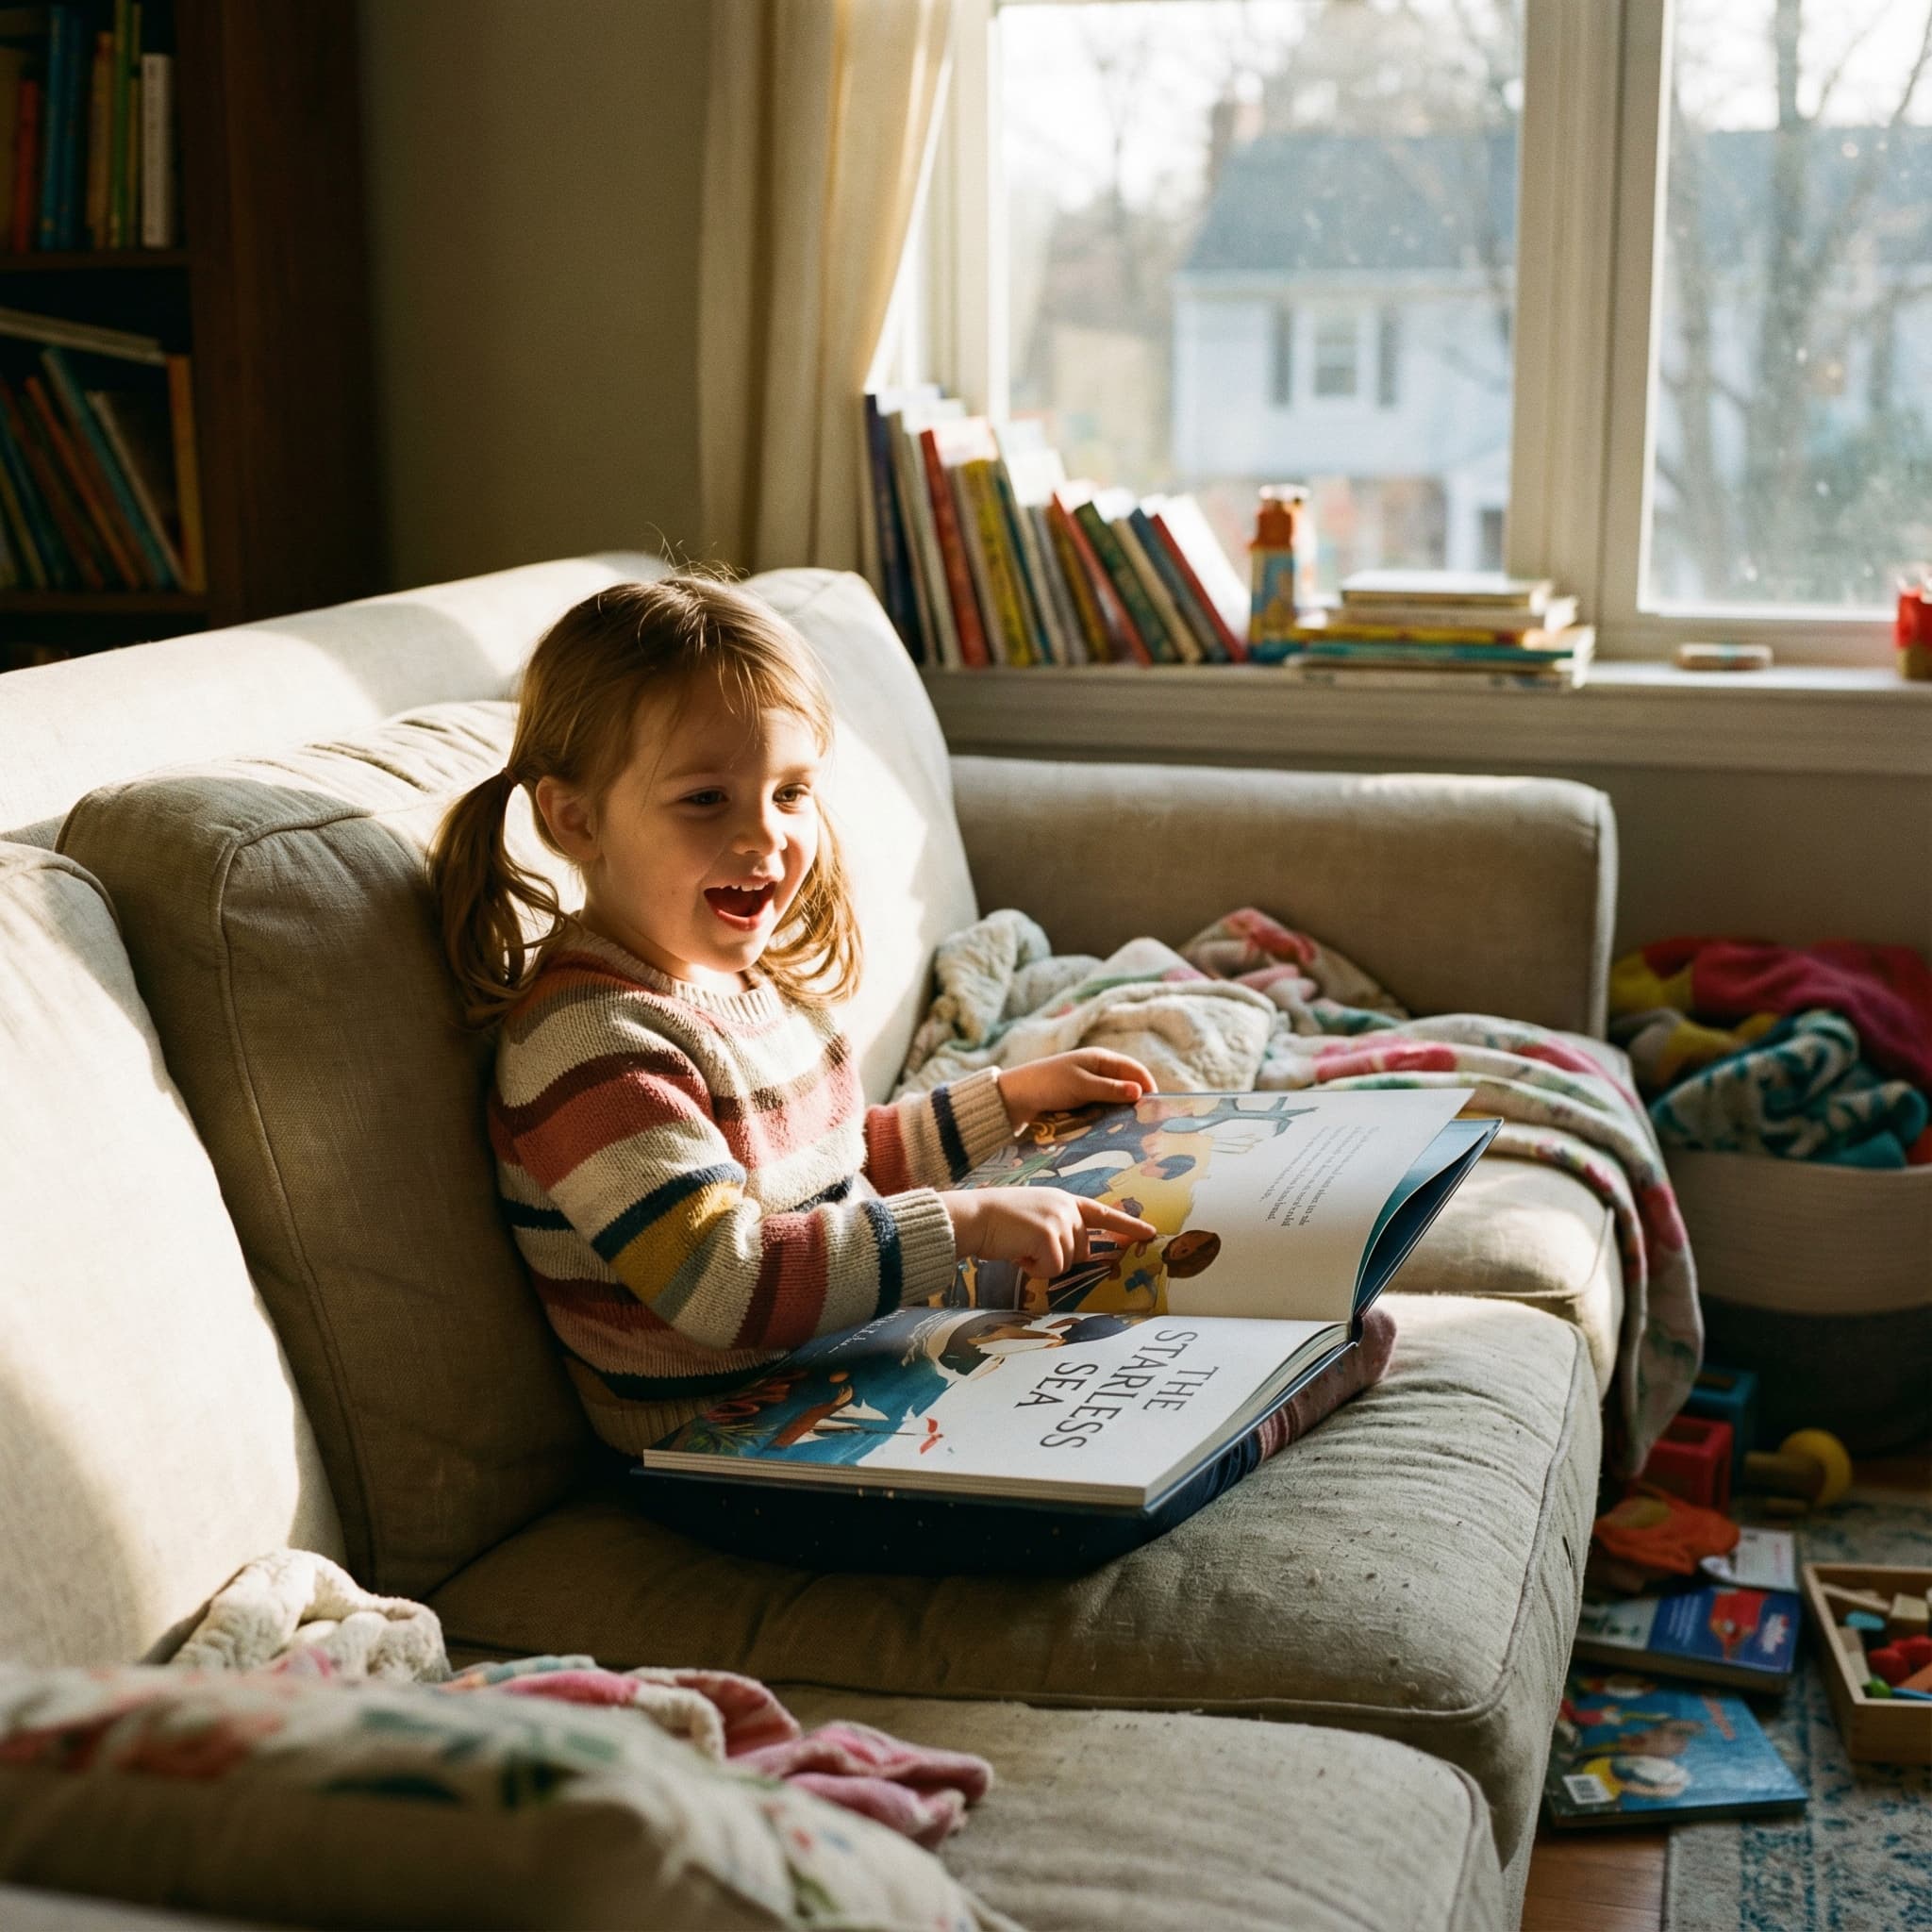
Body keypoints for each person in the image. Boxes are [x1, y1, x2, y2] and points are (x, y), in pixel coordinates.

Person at [430, 574, 1158, 1467]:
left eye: (790, 793)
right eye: (706, 798)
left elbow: (835, 1173)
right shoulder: (589, 1044)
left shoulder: (757, 982)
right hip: (724, 1440)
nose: (765, 837)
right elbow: (723, 1281)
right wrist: (964, 1223)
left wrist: (1002, 1102)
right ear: (576, 820)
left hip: (847, 1369)